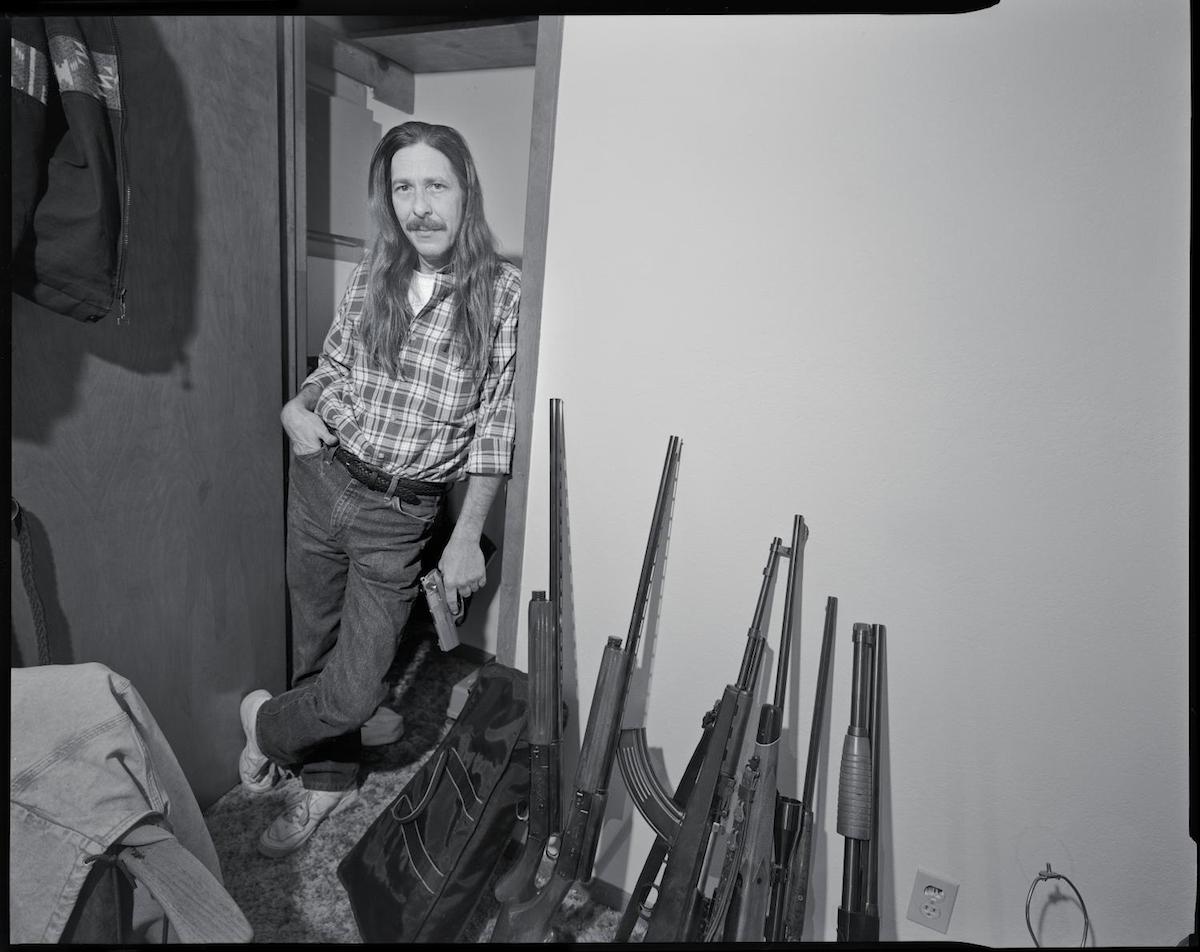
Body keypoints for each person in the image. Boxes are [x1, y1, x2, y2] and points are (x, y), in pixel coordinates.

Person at [237, 121, 520, 858]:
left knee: (358, 685)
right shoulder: (372, 276)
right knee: (316, 642)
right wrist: (296, 407)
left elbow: (494, 427)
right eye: (403, 187)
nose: (419, 206)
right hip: (321, 479)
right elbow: (332, 365)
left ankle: (266, 725)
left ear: (466, 192)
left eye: (436, 185)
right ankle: (327, 779)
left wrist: (464, 539)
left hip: (398, 515)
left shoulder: (504, 296)